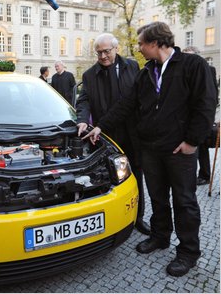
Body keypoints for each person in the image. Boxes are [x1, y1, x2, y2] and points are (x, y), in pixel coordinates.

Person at [84, 22, 216, 277]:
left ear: (155, 43)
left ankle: (188, 252)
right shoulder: (147, 73)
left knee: (184, 201)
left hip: (180, 150)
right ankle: (160, 236)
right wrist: (100, 126)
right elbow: (127, 104)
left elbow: (206, 104)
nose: (139, 49)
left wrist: (192, 142)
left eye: (142, 43)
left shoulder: (192, 65)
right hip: (151, 148)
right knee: (157, 197)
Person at [76, 33, 150, 236]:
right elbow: (84, 101)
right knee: (112, 177)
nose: (102, 56)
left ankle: (139, 217)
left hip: (132, 132)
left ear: (116, 49)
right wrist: (82, 119)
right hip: (107, 135)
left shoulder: (132, 66)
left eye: (106, 51)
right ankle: (114, 219)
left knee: (135, 175)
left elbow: (136, 99)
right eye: (99, 52)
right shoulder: (89, 75)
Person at [182, 46, 219, 186]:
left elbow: (212, 95)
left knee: (202, 147)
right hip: (186, 116)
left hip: (201, 116)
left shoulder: (209, 69)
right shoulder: (181, 70)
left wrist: (208, 116)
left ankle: (204, 174)